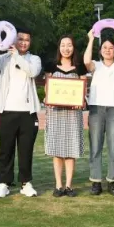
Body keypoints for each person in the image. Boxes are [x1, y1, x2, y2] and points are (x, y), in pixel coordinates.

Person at [0, 26, 42, 198]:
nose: (23, 42)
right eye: (20, 39)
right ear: (13, 39)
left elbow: (33, 72)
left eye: (27, 40)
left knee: (26, 150)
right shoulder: (4, 58)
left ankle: (26, 183)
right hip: (7, 111)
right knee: (5, 149)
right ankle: (4, 183)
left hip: (28, 112)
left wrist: (17, 56)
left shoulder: (34, 59)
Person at [83, 31, 114, 196]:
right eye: (104, 47)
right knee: (95, 145)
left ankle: (112, 180)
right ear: (100, 50)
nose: (108, 50)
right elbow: (86, 61)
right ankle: (96, 181)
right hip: (96, 108)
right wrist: (91, 39)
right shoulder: (96, 65)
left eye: (111, 48)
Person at [45, 35, 85, 197]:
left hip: (73, 113)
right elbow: (48, 87)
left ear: (73, 47)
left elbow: (83, 89)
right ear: (59, 47)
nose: (66, 48)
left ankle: (69, 185)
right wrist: (48, 98)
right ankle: (58, 185)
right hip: (55, 112)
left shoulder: (80, 67)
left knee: (70, 149)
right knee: (57, 149)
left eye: (69, 45)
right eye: (63, 45)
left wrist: (80, 101)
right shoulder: (51, 65)